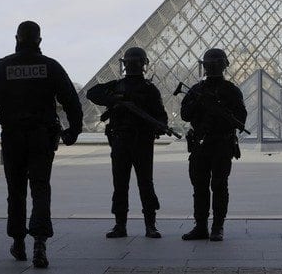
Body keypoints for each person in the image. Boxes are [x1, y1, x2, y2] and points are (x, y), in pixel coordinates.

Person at [0, 21, 83, 269]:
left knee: (15, 191)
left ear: (17, 38)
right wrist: (74, 131)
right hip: (41, 137)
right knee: (40, 189)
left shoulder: (3, 66)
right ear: (39, 41)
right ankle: (40, 244)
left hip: (12, 136)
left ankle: (18, 242)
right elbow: (71, 100)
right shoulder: (51, 67)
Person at [86, 47, 167, 239]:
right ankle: (138, 225)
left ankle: (130, 225)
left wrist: (159, 125)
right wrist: (115, 100)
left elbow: (160, 117)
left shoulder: (143, 88)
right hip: (127, 141)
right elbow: (91, 93)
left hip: (135, 140)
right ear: (144, 64)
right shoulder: (123, 87)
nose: (133, 65)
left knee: (131, 184)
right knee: (135, 184)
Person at [180, 48, 247, 241]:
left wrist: (220, 110)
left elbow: (241, 120)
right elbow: (185, 114)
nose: (212, 68)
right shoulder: (196, 90)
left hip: (221, 143)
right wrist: (200, 104)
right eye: (211, 64)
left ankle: (217, 226)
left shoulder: (231, 91)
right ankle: (201, 226)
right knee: (200, 187)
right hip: (201, 143)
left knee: (218, 185)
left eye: (214, 64)